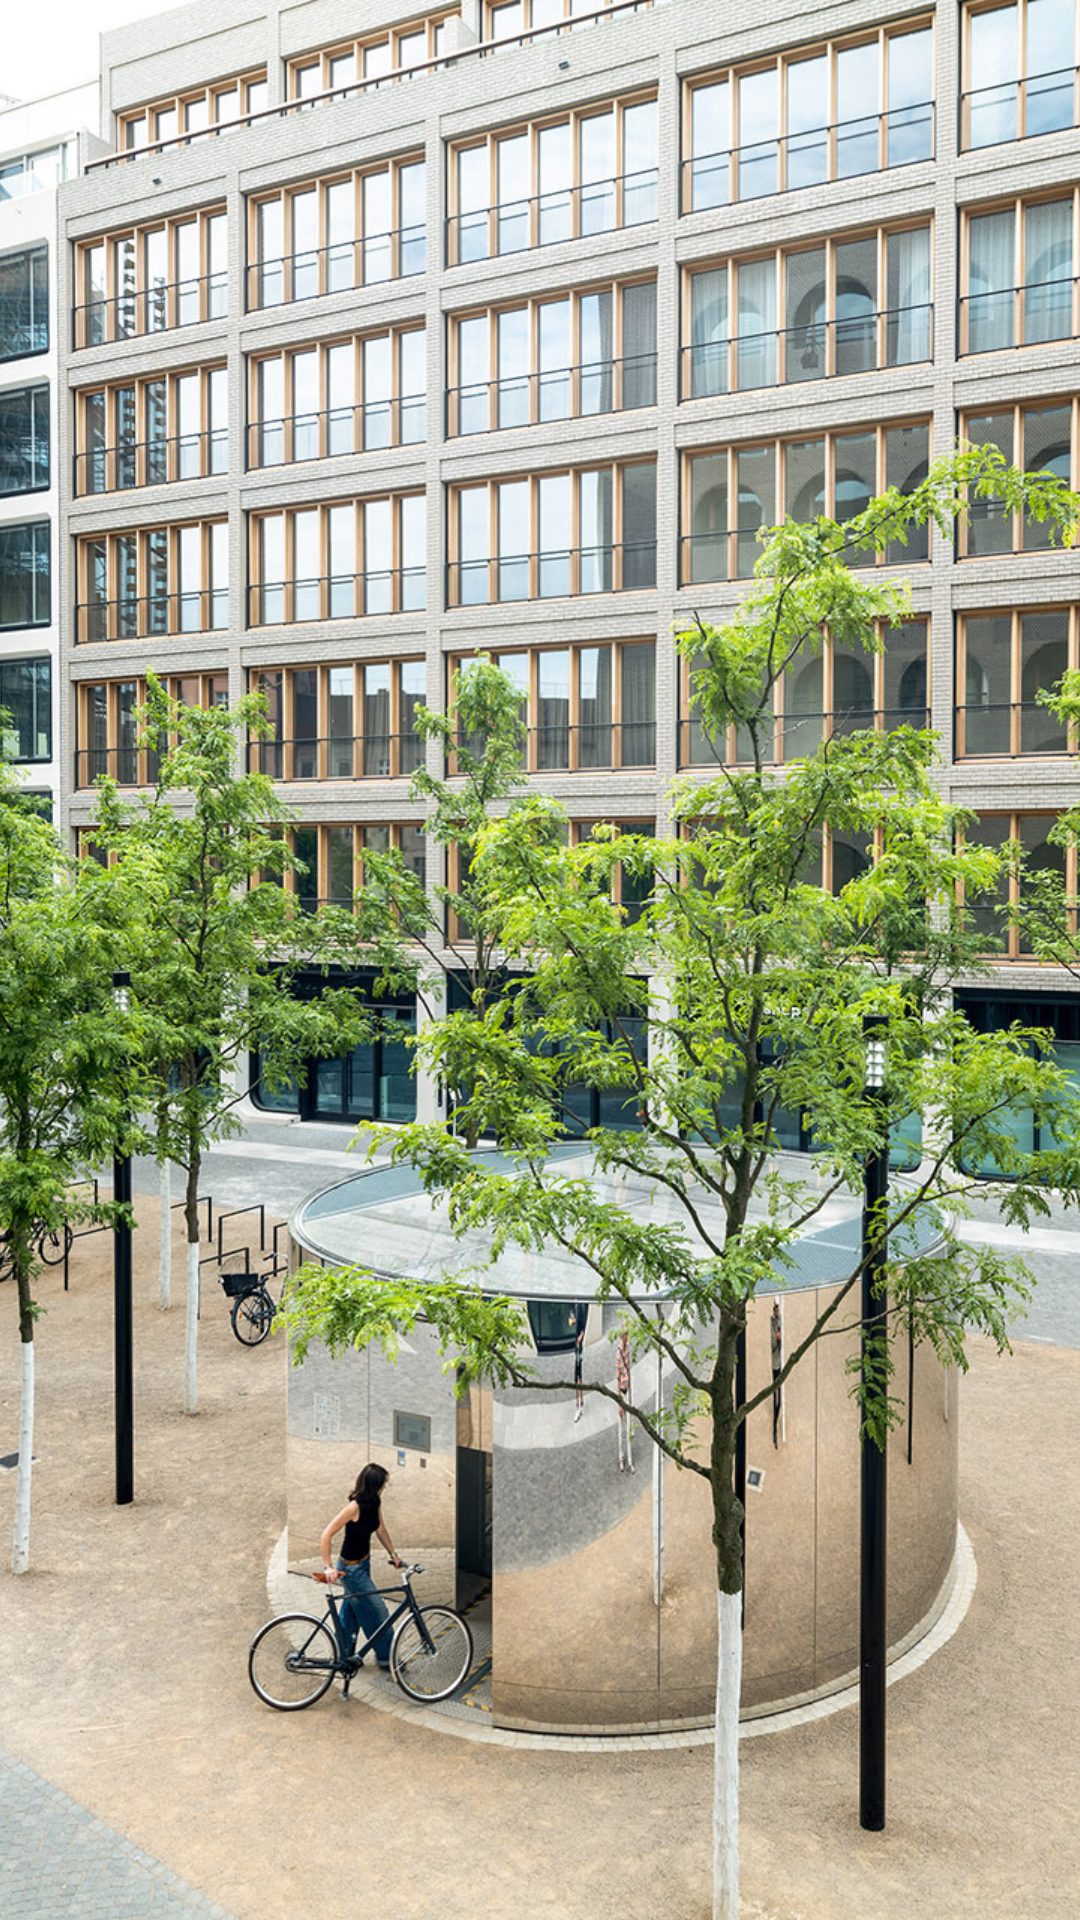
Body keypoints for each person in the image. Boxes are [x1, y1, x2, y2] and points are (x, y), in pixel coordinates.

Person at [319, 1463, 401, 1669]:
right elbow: (326, 1534)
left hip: (364, 1563)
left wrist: (393, 1554)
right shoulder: (354, 1507)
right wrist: (328, 1567)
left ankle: (344, 1655)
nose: (385, 1487)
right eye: (383, 1484)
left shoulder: (375, 1501)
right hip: (350, 1569)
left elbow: (381, 1528)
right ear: (375, 1485)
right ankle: (386, 1658)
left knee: (351, 1610)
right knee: (377, 1610)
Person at [615, 1328, 634, 1473]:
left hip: (629, 1389)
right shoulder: (618, 1353)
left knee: (629, 1427)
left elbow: (629, 1370)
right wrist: (619, 1403)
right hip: (621, 1391)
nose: (626, 1337)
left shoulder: (629, 1349)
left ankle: (630, 1461)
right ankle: (621, 1459)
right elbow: (617, 1377)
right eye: (625, 1335)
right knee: (621, 1429)